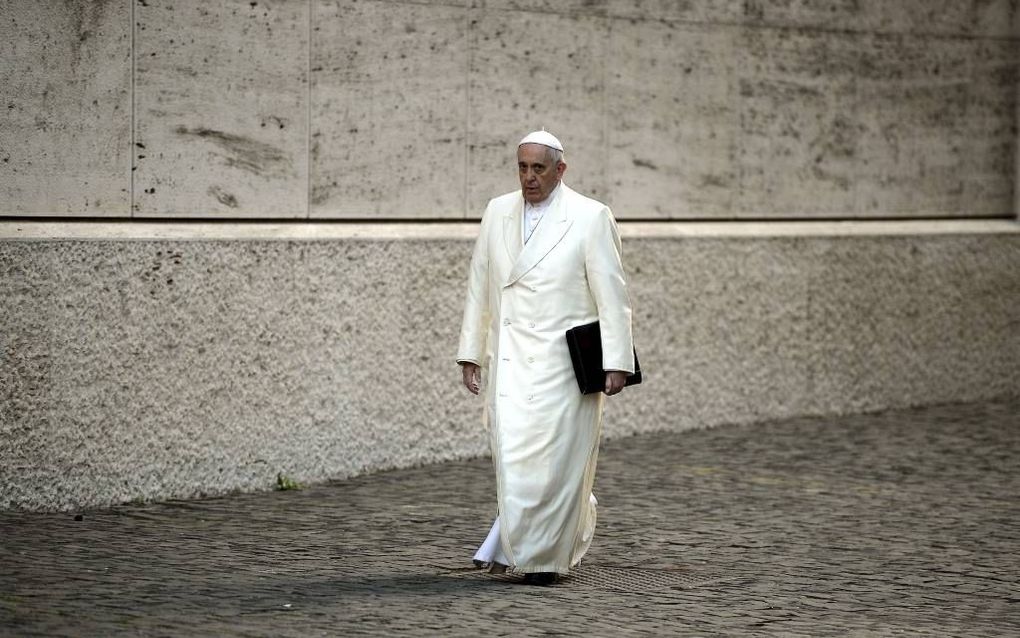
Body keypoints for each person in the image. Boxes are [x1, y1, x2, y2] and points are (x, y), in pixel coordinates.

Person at [456, 130, 635, 586]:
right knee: (515, 459)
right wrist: (471, 352)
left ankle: (543, 561)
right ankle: (557, 524)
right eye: (522, 167)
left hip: (563, 365)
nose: (529, 177)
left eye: (538, 168)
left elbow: (612, 296)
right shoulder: (497, 211)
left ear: (560, 169)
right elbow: (481, 283)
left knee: (556, 461)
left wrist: (616, 361)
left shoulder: (591, 216)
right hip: (512, 361)